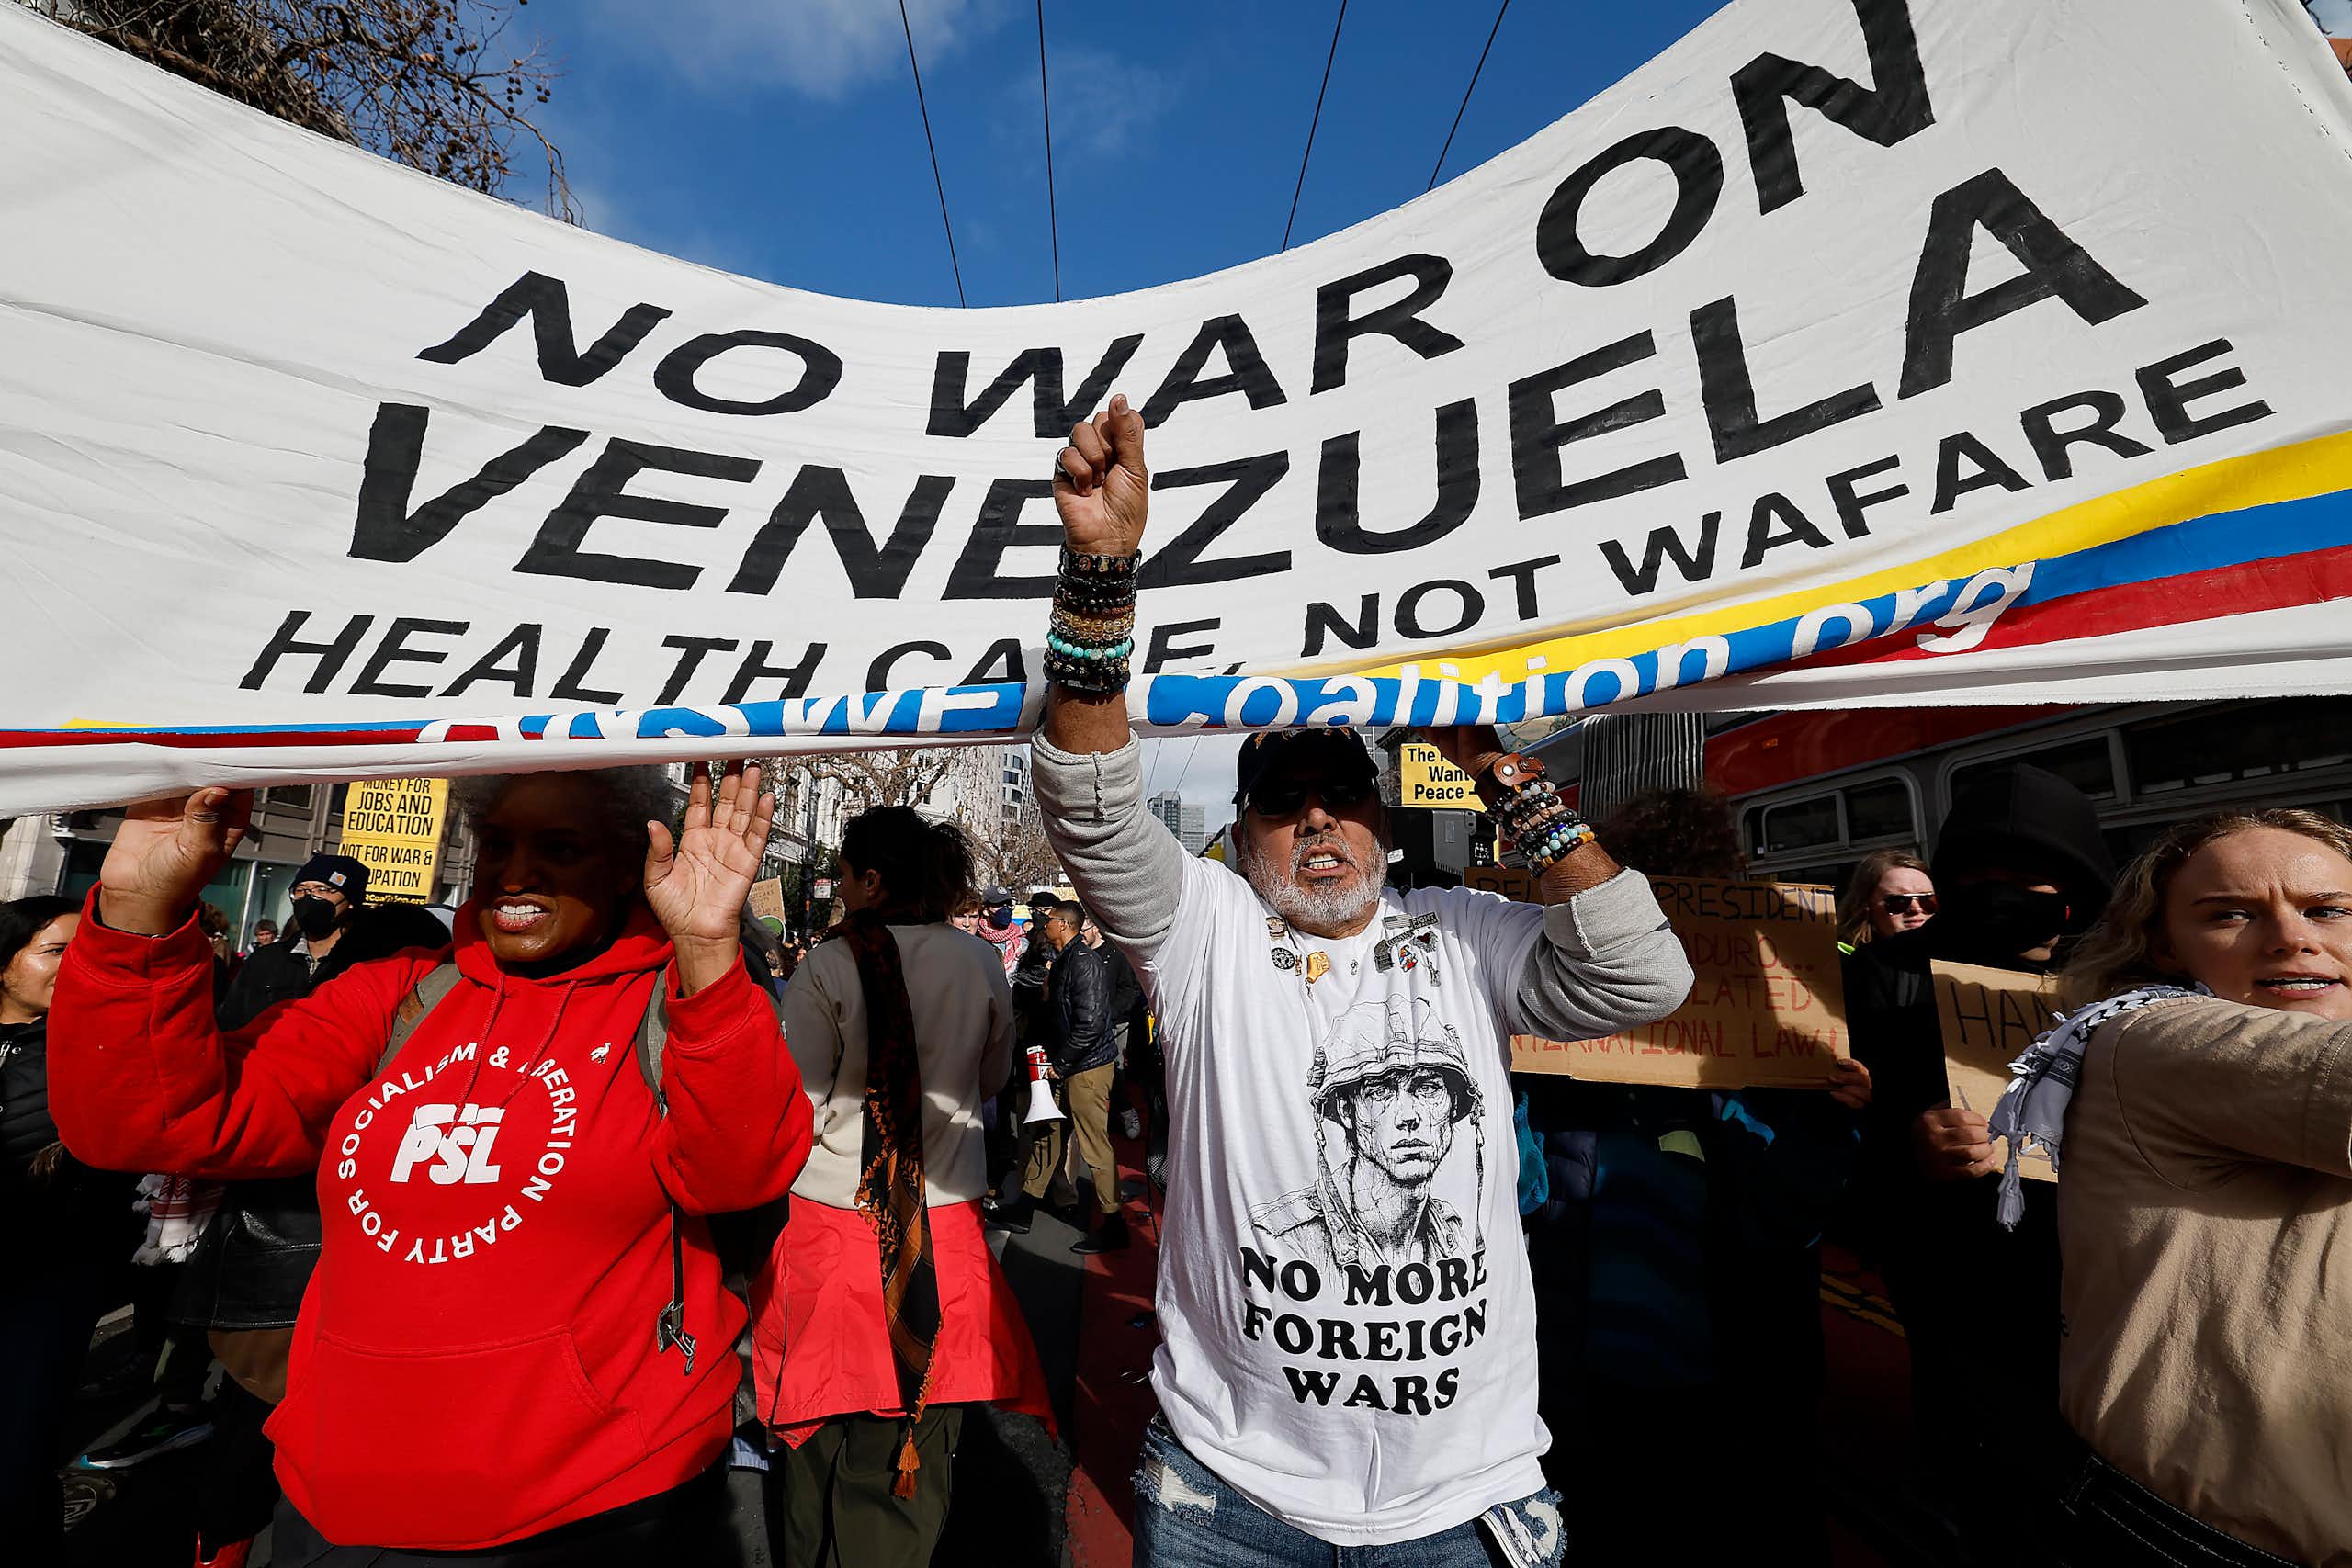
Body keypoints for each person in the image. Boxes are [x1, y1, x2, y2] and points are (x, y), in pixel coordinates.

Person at [1034, 396, 1691, 1563]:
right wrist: (1099, 576)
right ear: (1241, 837)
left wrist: (1497, 772)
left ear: (1381, 823)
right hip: (1229, 1500)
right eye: (1282, 802)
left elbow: (1642, 978)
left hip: (1464, 1507)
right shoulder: (1206, 933)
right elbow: (1090, 805)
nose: (1317, 818)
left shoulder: (1464, 932)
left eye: (1342, 793)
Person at [47, 763, 811, 1565]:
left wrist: (706, 954)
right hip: (341, 1498)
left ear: (627, 865)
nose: (515, 872)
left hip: (598, 1502)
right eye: (497, 843)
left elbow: (742, 1172)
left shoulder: (673, 1004)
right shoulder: (400, 995)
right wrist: (135, 913)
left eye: (561, 847)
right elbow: (151, 1119)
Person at [1985, 808, 2352, 1564]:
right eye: (2230, 915)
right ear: (2163, 945)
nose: (2291, 937)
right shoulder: (2150, 1034)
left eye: (2328, 910)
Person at [762, 806, 1050, 1568]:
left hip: (831, 1222)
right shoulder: (977, 961)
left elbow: (797, 1108)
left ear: (872, 880)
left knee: (813, 1451)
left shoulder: (828, 965)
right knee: (906, 1453)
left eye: (845, 876)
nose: (841, 890)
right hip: (940, 1227)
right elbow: (991, 1078)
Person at [1841, 763, 2113, 1538]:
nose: (2002, 892)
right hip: (1952, 1257)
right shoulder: (1883, 978)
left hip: (2094, 1251)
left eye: (2028, 876)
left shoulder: (2110, 976)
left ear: (2073, 884)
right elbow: (1839, 1140)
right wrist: (1905, 1145)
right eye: (1981, 873)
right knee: (1976, 1436)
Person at [160, 854, 453, 1565]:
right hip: (282, 1270)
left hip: (347, 1288)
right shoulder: (299, 996)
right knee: (257, 1439)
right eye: (304, 887)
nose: (309, 898)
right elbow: (204, 1097)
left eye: (326, 890)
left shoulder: (444, 1034)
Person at [0, 895, 136, 1563]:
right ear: (5, 963)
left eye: (84, 954)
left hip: (47, 1279)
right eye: (55, 951)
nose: (73, 966)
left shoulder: (95, 1044)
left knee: (16, 1454)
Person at [991, 899, 1128, 1253]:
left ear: (1064, 925)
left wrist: (1061, 1064)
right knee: (1048, 1136)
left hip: (1086, 1068)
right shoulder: (1067, 960)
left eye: (1049, 918)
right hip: (1068, 1065)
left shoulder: (1083, 962)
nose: (1042, 922)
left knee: (1094, 1144)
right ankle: (1025, 1208)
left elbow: (1091, 1023)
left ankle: (1114, 1223)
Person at [1835, 850, 1936, 952]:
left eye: (1927, 900)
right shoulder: (1837, 958)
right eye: (1899, 901)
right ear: (1866, 906)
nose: (1916, 909)